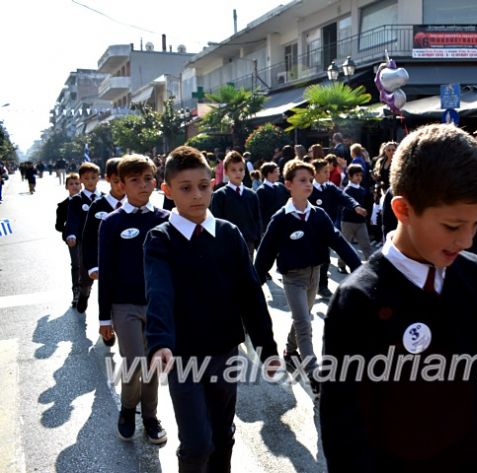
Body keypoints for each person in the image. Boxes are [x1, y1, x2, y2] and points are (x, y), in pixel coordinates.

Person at [319, 124, 477, 471]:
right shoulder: (357, 301)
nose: (467, 241)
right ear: (403, 210)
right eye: (453, 226)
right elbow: (344, 430)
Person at [145, 146, 279, 472]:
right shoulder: (160, 239)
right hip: (183, 357)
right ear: (167, 191)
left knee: (223, 435)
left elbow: (251, 295)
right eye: (186, 188)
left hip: (224, 351)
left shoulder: (229, 234)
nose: (197, 195)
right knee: (196, 443)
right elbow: (158, 291)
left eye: (204, 186)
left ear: (213, 184)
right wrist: (160, 340)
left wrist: (267, 349)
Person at [254, 160, 361, 395]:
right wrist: (255, 280)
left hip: (315, 276)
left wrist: (359, 268)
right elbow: (265, 251)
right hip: (293, 279)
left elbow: (339, 242)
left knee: (302, 318)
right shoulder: (281, 219)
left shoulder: (318, 215)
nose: (308, 185)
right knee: (304, 323)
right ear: (288, 184)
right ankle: (314, 372)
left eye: (311, 180)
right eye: (303, 180)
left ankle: (290, 352)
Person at [97, 155, 169, 443]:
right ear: (121, 184)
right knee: (135, 362)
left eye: (148, 178)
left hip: (157, 306)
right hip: (124, 305)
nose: (143, 185)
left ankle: (150, 416)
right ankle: (128, 409)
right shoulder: (112, 223)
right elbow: (107, 271)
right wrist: (104, 318)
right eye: (134, 180)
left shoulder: (165, 219)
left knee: (153, 363)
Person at [309, 158, 365, 297]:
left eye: (329, 171)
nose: (328, 174)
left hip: (327, 228)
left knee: (325, 258)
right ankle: (309, 284)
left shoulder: (330, 187)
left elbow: (344, 197)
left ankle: (322, 285)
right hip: (310, 230)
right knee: (311, 259)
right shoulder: (308, 189)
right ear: (315, 174)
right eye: (325, 171)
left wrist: (355, 206)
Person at [82, 158, 127, 303]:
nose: (121, 186)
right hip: (105, 263)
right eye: (116, 181)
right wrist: (92, 265)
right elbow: (89, 238)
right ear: (107, 179)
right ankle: (83, 293)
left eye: (124, 181)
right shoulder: (98, 205)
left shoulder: (136, 204)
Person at [65, 162, 102, 313]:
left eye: (93, 177)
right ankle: (84, 294)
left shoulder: (105, 199)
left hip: (104, 242)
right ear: (81, 180)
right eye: (86, 178)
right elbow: (72, 219)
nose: (90, 181)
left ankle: (110, 308)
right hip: (84, 243)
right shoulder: (76, 200)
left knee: (110, 275)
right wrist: (71, 234)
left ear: (98, 178)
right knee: (86, 275)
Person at [210, 151, 262, 257]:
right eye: (233, 170)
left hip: (248, 241)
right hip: (228, 243)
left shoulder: (252, 194)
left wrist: (257, 241)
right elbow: (216, 221)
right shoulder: (219, 195)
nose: (238, 173)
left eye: (241, 170)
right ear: (226, 171)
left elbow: (257, 220)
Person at [55, 173, 82, 306]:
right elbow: (58, 226)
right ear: (66, 187)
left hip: (90, 238)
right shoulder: (62, 206)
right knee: (76, 264)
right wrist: (68, 232)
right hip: (73, 240)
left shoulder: (90, 201)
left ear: (81, 185)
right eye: (71, 184)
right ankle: (76, 291)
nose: (75, 186)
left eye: (77, 183)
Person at [338, 163, 373, 266]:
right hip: (348, 222)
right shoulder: (347, 190)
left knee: (366, 244)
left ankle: (371, 266)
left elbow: (366, 204)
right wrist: (356, 209)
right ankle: (342, 265)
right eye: (356, 175)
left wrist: (368, 215)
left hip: (361, 222)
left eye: (360, 175)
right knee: (346, 245)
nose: (359, 178)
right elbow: (344, 205)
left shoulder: (362, 190)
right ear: (350, 176)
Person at [255, 161, 289, 232]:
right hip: (270, 226)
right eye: (276, 172)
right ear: (269, 174)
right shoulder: (261, 191)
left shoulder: (281, 186)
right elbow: (259, 212)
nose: (278, 174)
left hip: (284, 223)